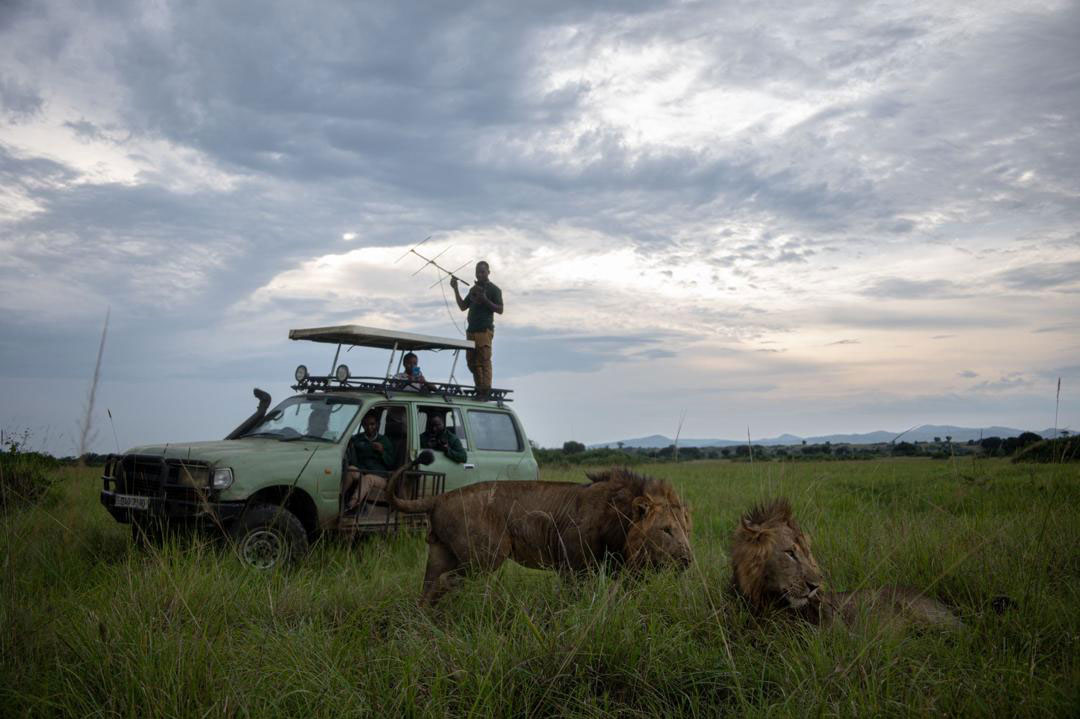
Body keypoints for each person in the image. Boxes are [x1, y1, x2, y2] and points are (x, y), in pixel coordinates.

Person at [451, 260, 503, 398]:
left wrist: (485, 299)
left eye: (482, 272)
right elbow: (463, 306)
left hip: (484, 331)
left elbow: (500, 309)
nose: (480, 275)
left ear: (488, 272)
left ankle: (485, 390)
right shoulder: (473, 290)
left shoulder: (494, 290)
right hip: (471, 332)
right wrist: (455, 288)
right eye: (477, 272)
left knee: (484, 361)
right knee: (472, 362)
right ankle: (479, 388)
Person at [343, 412, 394, 513]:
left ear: (377, 425)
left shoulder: (384, 440)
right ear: (362, 425)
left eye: (372, 424)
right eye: (366, 425)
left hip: (381, 477)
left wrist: (382, 452)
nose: (369, 427)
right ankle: (339, 497)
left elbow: (391, 463)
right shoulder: (357, 439)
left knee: (368, 478)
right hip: (362, 471)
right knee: (351, 469)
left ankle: (350, 506)